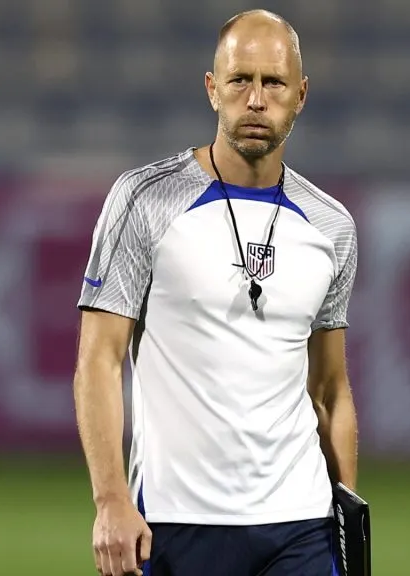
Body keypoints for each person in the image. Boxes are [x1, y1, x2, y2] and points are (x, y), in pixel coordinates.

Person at [73, 9, 359, 576]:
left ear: (300, 95)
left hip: (302, 526)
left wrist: (348, 517)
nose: (256, 100)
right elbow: (98, 362)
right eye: (240, 80)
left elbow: (330, 390)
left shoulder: (331, 227)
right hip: (176, 523)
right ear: (213, 89)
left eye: (273, 82)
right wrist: (110, 502)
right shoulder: (145, 201)